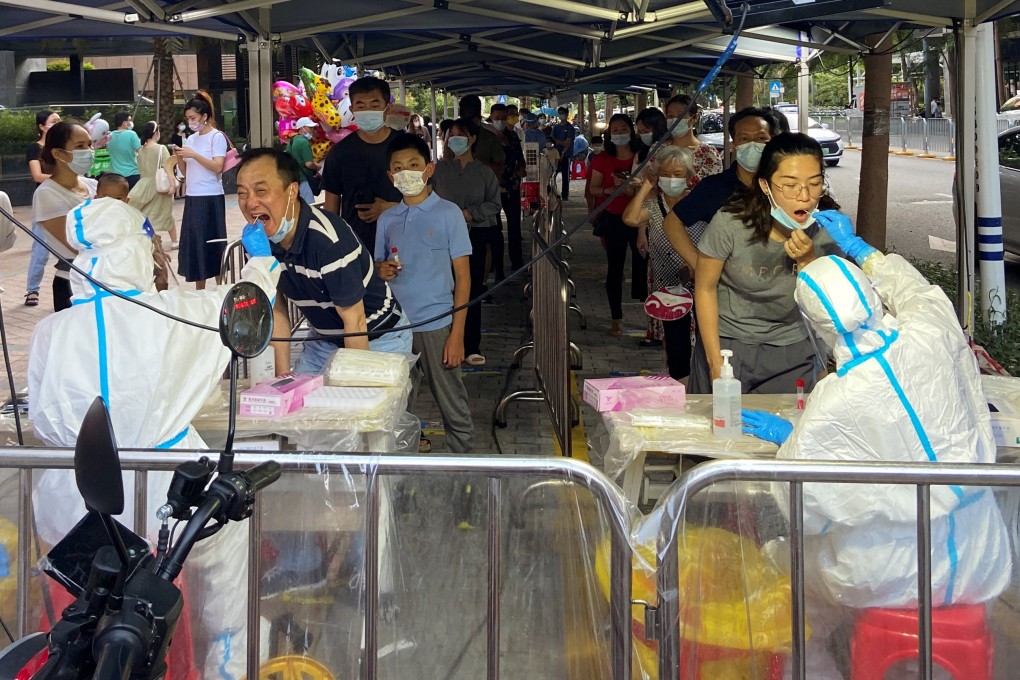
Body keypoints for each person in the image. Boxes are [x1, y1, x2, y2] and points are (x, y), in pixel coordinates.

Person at [742, 221, 1010, 677]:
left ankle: (813, 668)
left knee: (785, 570)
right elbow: (918, 292)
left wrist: (789, 440)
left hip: (886, 576)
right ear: (870, 296)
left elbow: (803, 505)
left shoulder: (836, 400)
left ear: (814, 322)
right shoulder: (930, 335)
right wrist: (861, 249)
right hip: (982, 556)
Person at [29, 197, 280, 680]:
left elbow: (43, 417)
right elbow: (245, 302)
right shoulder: (171, 314)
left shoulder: (50, 331)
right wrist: (263, 261)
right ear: (135, 250)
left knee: (78, 611)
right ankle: (225, 665)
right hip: (167, 486)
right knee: (217, 575)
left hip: (73, 497)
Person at [235, 149, 411, 375]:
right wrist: (281, 381)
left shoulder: (328, 242)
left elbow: (355, 322)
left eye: (261, 191)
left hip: (378, 335)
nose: (251, 203)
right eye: (242, 193)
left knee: (356, 407)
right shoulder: (258, 245)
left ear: (292, 191)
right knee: (296, 405)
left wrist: (354, 388)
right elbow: (276, 312)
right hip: (325, 339)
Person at [693, 132, 842, 395]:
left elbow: (832, 304)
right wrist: (715, 362)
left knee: (786, 430)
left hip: (795, 348)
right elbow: (705, 288)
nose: (804, 196)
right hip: (729, 346)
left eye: (814, 183)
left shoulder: (830, 229)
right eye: (790, 184)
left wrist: (808, 261)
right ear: (765, 185)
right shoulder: (731, 223)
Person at [374, 133, 474, 453]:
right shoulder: (387, 219)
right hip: (395, 328)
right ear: (391, 177)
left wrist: (457, 334)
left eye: (414, 165)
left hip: (437, 325)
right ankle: (403, 462)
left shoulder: (449, 213)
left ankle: (465, 464)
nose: (406, 172)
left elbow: (464, 278)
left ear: (428, 169)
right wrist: (381, 269)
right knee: (396, 402)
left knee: (451, 402)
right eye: (398, 168)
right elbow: (378, 266)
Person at [622, 145, 698, 381]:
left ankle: (702, 381)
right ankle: (681, 383)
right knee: (676, 344)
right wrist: (646, 186)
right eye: (666, 174)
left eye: (678, 174)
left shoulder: (698, 202)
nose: (672, 179)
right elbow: (630, 218)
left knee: (705, 338)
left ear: (688, 176)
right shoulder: (654, 207)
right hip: (669, 287)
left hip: (701, 281)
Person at [433, 119, 502, 367]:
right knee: (443, 289)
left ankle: (471, 345)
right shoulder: (438, 170)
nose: (455, 140)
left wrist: (469, 213)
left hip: (474, 235)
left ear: (472, 139)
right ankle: (441, 342)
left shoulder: (484, 172)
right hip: (440, 238)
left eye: (460, 135)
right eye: (451, 135)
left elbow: (495, 204)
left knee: (470, 290)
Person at [322, 76, 403, 249]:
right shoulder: (339, 153)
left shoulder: (407, 147)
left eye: (374, 105)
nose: (367, 111)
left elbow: (425, 199)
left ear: (387, 108)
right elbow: (331, 209)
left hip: (404, 242)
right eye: (360, 106)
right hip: (357, 247)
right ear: (352, 109)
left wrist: (390, 208)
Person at [589, 113, 647, 336]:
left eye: (623, 129)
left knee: (643, 266)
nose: (619, 133)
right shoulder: (602, 158)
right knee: (615, 268)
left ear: (631, 131)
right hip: (614, 219)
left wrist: (636, 186)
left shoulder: (642, 156)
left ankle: (650, 318)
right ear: (608, 134)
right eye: (615, 130)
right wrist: (608, 190)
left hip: (640, 219)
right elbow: (593, 188)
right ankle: (616, 318)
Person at [33, 121, 97, 312]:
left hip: (105, 279)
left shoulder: (94, 185)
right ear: (58, 153)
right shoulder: (47, 194)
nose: (88, 151)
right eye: (79, 146)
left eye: (89, 145)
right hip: (73, 283)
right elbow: (76, 244)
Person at [173, 91, 227, 291]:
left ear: (204, 117)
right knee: (196, 241)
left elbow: (217, 167)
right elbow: (186, 173)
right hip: (193, 195)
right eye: (188, 118)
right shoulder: (191, 139)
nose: (190, 122)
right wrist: (180, 156)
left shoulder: (216, 137)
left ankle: (221, 286)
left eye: (193, 118)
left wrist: (194, 155)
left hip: (211, 195)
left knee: (213, 240)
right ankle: (200, 289)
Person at [99, 172, 174, 292]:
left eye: (118, 198)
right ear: (96, 199)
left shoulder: (137, 217)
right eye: (106, 198)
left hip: (135, 258)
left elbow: (151, 236)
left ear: (126, 200)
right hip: (108, 264)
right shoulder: (93, 221)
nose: (112, 202)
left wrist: (156, 250)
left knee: (161, 267)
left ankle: (160, 300)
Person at [24, 109, 60, 307]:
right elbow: (37, 176)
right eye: (52, 121)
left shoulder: (63, 146)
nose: (57, 124)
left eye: (58, 121)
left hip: (64, 201)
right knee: (40, 249)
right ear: (41, 126)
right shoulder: (35, 148)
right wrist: (62, 179)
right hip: (44, 202)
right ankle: (32, 290)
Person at [489, 103, 527, 274]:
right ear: (491, 118)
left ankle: (517, 262)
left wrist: (522, 168)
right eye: (497, 119)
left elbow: (520, 157)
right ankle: (497, 268)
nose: (500, 122)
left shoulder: (512, 136)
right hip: (491, 190)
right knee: (495, 230)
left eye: (503, 119)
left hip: (512, 186)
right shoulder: (486, 138)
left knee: (514, 226)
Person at [128, 121, 178, 248]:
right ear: (156, 133)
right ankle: (174, 241)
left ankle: (151, 241)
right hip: (159, 185)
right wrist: (172, 185)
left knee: (146, 214)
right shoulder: (161, 148)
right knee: (165, 213)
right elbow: (168, 168)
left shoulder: (140, 150)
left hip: (143, 185)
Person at [664, 94, 723, 184]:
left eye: (680, 116)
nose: (674, 120)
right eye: (670, 116)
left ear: (694, 118)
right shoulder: (658, 150)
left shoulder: (708, 154)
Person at [286, 116, 320, 205]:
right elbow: (308, 164)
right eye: (310, 128)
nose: (312, 130)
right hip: (304, 180)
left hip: (294, 179)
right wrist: (317, 166)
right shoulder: (304, 142)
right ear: (302, 128)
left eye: (313, 128)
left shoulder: (292, 141)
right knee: (309, 208)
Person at [106, 111, 141, 189]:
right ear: (124, 122)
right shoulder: (132, 134)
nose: (131, 122)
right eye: (129, 120)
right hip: (132, 174)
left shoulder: (109, 136)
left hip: (115, 176)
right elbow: (141, 152)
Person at [550, 106, 576, 200]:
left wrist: (563, 152)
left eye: (563, 113)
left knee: (565, 176)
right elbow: (552, 140)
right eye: (560, 113)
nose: (561, 115)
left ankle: (565, 195)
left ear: (566, 114)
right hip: (555, 154)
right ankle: (552, 193)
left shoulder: (570, 128)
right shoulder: (556, 127)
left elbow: (567, 143)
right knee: (553, 174)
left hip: (566, 154)